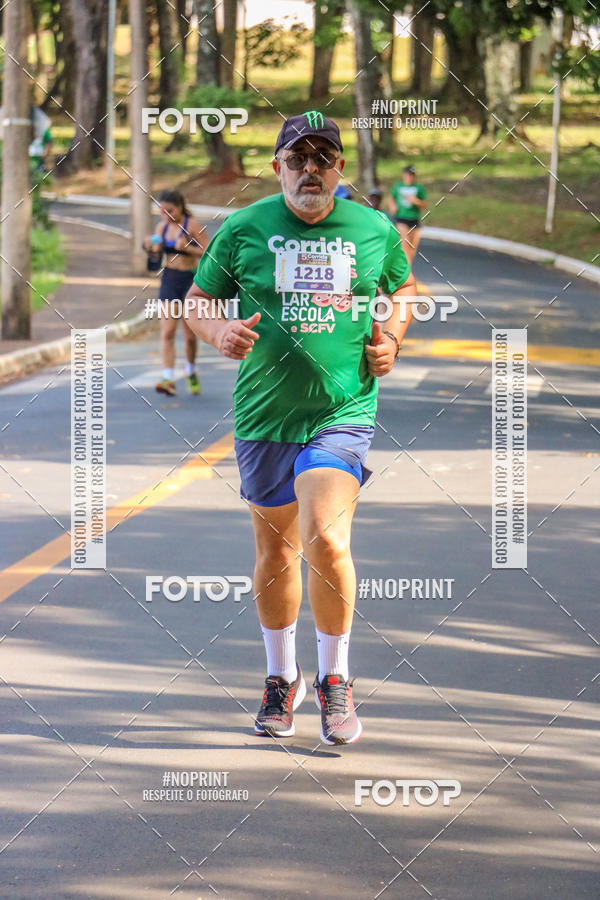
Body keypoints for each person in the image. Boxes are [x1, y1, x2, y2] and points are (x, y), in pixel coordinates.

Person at [186, 111, 417, 745]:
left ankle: (336, 679)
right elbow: (198, 301)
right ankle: (281, 678)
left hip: (341, 413)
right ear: (277, 166)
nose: (310, 168)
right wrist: (218, 331)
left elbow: (403, 290)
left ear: (339, 168)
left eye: (323, 157)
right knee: (275, 551)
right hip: (263, 417)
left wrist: (390, 336)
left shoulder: (373, 229)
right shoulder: (244, 227)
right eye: (297, 157)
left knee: (325, 536)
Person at [143, 190, 208, 396]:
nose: (166, 215)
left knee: (189, 336)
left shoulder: (193, 226)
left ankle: (190, 370)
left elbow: (210, 252)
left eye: (170, 211)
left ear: (180, 207)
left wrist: (188, 247)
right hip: (169, 280)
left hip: (190, 280)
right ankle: (168, 378)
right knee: (168, 332)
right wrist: (150, 247)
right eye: (161, 212)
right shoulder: (161, 227)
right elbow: (154, 254)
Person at [388, 165, 428, 265]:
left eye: (412, 175)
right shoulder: (398, 187)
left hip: (414, 219)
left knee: (412, 249)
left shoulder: (418, 188)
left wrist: (415, 201)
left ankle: (406, 268)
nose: (410, 177)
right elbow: (391, 199)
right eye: (408, 175)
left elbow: (424, 204)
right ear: (404, 175)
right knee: (405, 245)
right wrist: (392, 206)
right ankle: (407, 273)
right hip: (401, 219)